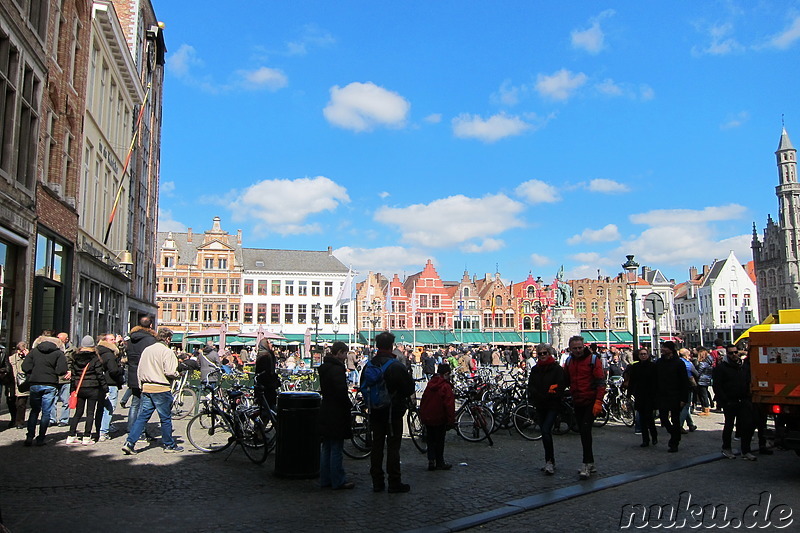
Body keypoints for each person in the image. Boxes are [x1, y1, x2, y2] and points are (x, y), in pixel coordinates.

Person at [361, 331, 415, 493]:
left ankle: (377, 481)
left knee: (377, 446)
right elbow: (408, 389)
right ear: (391, 346)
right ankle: (394, 481)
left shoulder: (369, 365)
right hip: (393, 412)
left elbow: (363, 385)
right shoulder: (396, 366)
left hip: (375, 411)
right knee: (393, 447)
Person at [122, 328, 182, 454]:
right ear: (168, 339)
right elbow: (170, 372)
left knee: (142, 417)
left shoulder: (147, 350)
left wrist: (141, 385)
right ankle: (169, 445)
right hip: (161, 387)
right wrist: (177, 374)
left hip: (147, 387)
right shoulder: (167, 351)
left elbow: (140, 369)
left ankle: (130, 442)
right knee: (165, 418)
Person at [563, 335, 606, 479]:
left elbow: (600, 382)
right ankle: (591, 462)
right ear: (570, 348)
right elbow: (565, 379)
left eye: (579, 348)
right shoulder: (569, 361)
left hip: (590, 400)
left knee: (586, 430)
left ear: (584, 346)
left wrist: (598, 401)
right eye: (574, 348)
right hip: (578, 400)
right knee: (583, 431)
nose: (577, 350)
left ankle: (586, 463)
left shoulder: (593, 360)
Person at [318, 341, 354, 490]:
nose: (346, 357)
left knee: (326, 447)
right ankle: (338, 480)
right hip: (336, 411)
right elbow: (340, 391)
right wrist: (347, 404)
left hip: (326, 408)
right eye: (345, 353)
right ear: (339, 353)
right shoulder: (337, 370)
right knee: (336, 447)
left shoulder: (324, 368)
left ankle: (325, 479)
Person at [22, 332, 68, 446]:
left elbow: (25, 367)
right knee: (46, 412)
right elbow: (62, 370)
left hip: (35, 383)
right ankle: (41, 438)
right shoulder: (58, 353)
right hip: (50, 383)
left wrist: (34, 371)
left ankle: (29, 436)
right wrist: (54, 372)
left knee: (34, 411)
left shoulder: (34, 352)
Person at [527, 343, 566, 474]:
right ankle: (549, 460)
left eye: (545, 353)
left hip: (552, 404)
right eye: (540, 354)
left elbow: (560, 385)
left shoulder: (557, 369)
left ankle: (549, 461)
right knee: (545, 433)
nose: (542, 356)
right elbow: (531, 385)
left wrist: (551, 393)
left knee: (545, 430)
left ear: (549, 354)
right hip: (540, 404)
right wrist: (535, 395)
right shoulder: (535, 369)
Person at [712, 345, 756, 460]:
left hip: (744, 400)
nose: (734, 355)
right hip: (730, 401)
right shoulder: (721, 368)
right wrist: (725, 400)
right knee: (729, 425)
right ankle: (727, 448)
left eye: (735, 352)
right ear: (727, 354)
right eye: (731, 353)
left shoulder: (743, 366)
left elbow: (748, 380)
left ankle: (746, 451)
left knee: (747, 425)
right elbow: (717, 386)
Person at [66, 336, 108, 445]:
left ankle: (71, 435)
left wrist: (72, 389)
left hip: (79, 388)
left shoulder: (75, 357)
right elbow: (100, 375)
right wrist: (105, 388)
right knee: (90, 413)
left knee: (78, 413)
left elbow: (74, 376)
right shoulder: (95, 358)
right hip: (92, 388)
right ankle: (86, 437)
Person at [419, 363, 456, 471]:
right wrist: (451, 420)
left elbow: (424, 399)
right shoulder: (445, 386)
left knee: (430, 440)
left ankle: (431, 461)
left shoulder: (430, 384)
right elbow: (449, 405)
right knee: (439, 440)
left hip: (429, 416)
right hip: (440, 417)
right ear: (446, 373)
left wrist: (423, 414)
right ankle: (440, 462)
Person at [125, 316, 157, 437]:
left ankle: (130, 428)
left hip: (133, 372)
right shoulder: (151, 340)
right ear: (150, 326)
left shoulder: (131, 338)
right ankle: (140, 431)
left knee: (135, 403)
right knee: (144, 405)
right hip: (144, 373)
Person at [656, 341, 690, 453]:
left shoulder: (679, 363)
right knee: (663, 418)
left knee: (675, 419)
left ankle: (674, 442)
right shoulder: (659, 362)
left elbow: (684, 382)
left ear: (671, 349)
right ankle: (674, 433)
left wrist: (683, 399)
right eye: (662, 347)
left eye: (665, 347)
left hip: (675, 395)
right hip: (662, 395)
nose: (663, 349)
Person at [625, 347, 658, 447]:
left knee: (649, 418)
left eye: (645, 354)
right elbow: (632, 381)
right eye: (641, 354)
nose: (643, 356)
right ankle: (645, 439)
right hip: (639, 395)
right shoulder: (635, 367)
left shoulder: (653, 366)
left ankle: (654, 435)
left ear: (648, 355)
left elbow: (657, 381)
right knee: (642, 419)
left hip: (650, 395)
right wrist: (629, 394)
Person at [98, 333, 124, 440]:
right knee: (109, 408)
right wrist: (121, 369)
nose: (114, 341)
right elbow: (113, 371)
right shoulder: (109, 355)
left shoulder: (100, 351)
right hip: (111, 383)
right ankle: (104, 431)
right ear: (106, 341)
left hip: (102, 383)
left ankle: (101, 428)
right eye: (112, 340)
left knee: (102, 407)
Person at [50, 332, 74, 427]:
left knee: (65, 400)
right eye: (57, 338)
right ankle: (52, 419)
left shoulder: (72, 350)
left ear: (66, 339)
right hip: (54, 377)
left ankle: (64, 419)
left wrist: (72, 372)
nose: (58, 341)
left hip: (66, 379)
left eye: (61, 339)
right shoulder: (53, 349)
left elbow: (76, 363)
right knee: (52, 399)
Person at [5, 342, 29, 429]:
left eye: (23, 350)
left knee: (21, 404)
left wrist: (27, 357)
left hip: (23, 385)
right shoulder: (11, 359)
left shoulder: (30, 358)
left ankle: (20, 422)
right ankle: (13, 419)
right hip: (12, 384)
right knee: (11, 402)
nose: (21, 353)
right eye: (20, 350)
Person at [678, 348, 698, 433]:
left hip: (677, 386)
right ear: (686, 355)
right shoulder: (688, 364)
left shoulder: (677, 362)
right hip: (687, 386)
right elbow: (696, 373)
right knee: (686, 405)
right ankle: (679, 426)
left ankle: (691, 424)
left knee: (685, 406)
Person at [695, 347, 713, 416]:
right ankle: (706, 408)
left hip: (701, 380)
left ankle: (705, 409)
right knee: (705, 394)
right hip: (707, 379)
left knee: (703, 395)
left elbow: (698, 372)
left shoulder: (702, 364)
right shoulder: (709, 363)